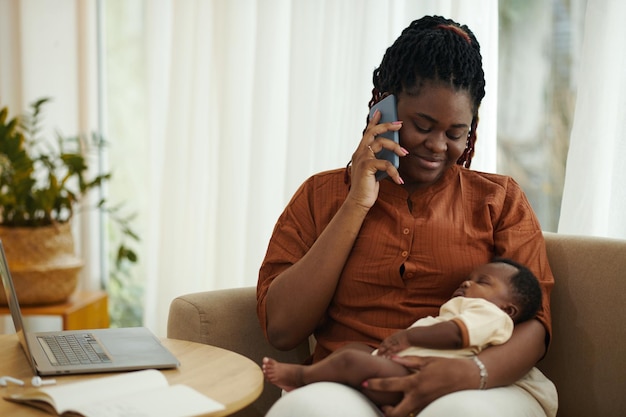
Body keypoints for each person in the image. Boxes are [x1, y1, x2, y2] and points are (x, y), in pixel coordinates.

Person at [257, 15, 557, 417]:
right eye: (422, 125)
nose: (437, 146)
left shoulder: (499, 200)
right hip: (354, 379)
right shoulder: (320, 195)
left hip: (479, 381)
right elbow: (282, 329)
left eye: (455, 133)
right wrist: (357, 204)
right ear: (384, 107)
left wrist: (469, 374)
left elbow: (534, 326)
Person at [262, 258, 543, 407]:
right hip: (399, 367)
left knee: (352, 361)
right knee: (353, 351)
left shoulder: (493, 316)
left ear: (510, 310)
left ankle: (301, 377)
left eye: (483, 281)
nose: (468, 282)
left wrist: (409, 337)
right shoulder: (466, 309)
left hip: (418, 377)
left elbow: (455, 335)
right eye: (468, 278)